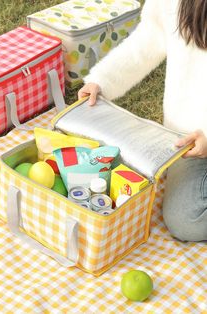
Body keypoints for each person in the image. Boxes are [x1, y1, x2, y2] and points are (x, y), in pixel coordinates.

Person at [78, 0, 207, 242]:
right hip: (188, 145)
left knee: (188, 221)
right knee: (185, 219)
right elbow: (147, 41)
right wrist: (101, 80)